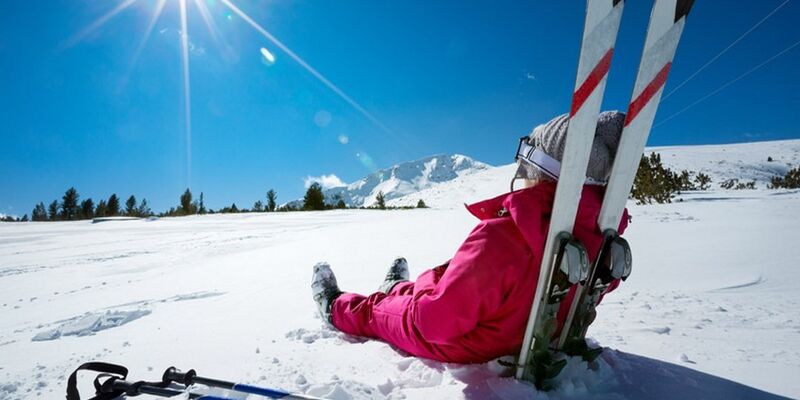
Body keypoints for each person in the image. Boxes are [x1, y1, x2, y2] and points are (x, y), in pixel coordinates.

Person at [311, 111, 630, 364]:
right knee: (434, 284)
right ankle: (399, 287)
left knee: (382, 311)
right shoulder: (600, 237)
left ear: (540, 169)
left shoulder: (504, 237)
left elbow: (433, 323)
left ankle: (337, 307)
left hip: (472, 345)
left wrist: (423, 289)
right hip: (528, 334)